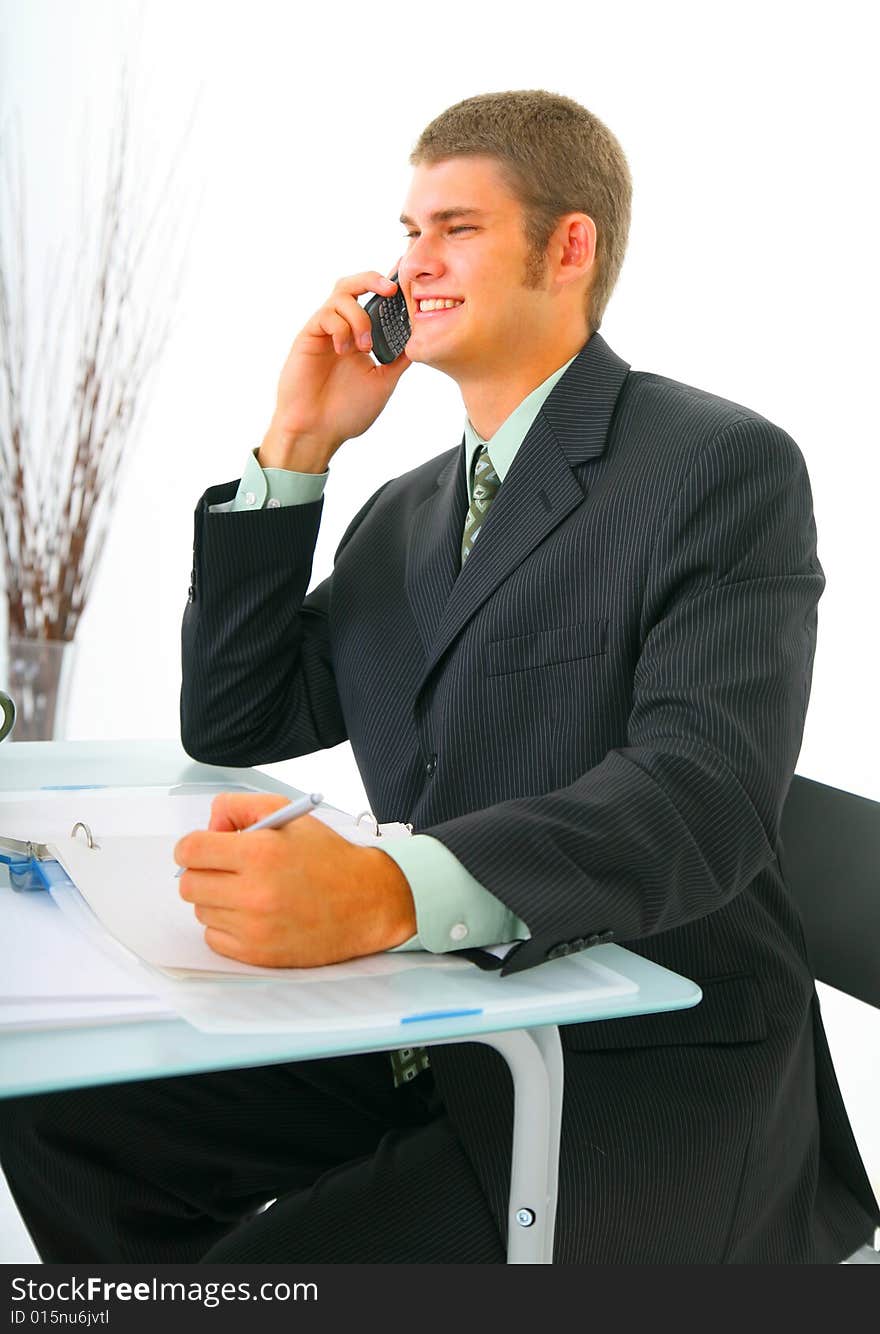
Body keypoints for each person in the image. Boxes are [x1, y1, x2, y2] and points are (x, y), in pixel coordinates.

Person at [2, 89, 877, 1264]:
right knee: (56, 1121)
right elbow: (235, 715)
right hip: (433, 1026)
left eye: (454, 227)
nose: (412, 261)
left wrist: (380, 891)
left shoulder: (718, 466)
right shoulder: (407, 511)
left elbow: (698, 795)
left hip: (639, 1078)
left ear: (568, 245)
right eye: (408, 230)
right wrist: (297, 449)